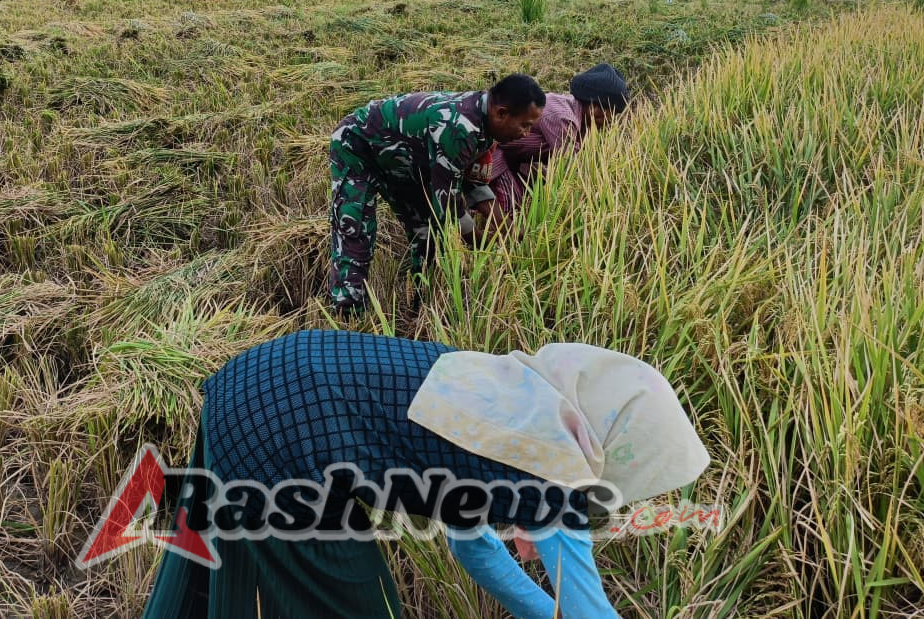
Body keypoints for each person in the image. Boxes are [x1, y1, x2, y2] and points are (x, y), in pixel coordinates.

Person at [141, 329, 711, 618]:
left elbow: (477, 550)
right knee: (352, 601)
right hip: (291, 431)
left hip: (257, 380)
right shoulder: (553, 471)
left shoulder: (515, 398)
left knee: (207, 549)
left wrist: (544, 612)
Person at [329, 74, 545, 316]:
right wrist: (482, 241)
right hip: (358, 147)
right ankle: (346, 316)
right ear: (502, 113)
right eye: (525, 125)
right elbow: (448, 206)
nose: (527, 134)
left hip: (406, 161)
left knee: (428, 234)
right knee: (355, 230)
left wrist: (505, 227)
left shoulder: (487, 128)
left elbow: (474, 182)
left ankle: (419, 303)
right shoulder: (458, 127)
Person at [490, 64, 629, 216]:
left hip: (516, 160)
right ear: (594, 107)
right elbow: (572, 166)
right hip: (493, 154)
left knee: (527, 203)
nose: (609, 120)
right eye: (608, 112)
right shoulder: (562, 117)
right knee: (511, 208)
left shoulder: (583, 123)